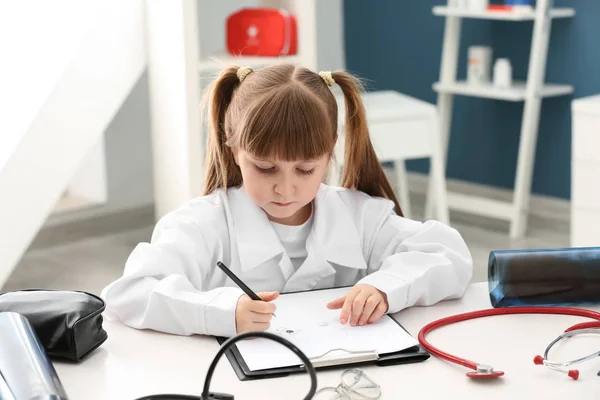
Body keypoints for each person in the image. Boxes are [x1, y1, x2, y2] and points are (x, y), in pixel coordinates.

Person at [100, 64, 473, 338]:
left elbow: (449, 256)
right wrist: (222, 312)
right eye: (265, 168)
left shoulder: (361, 215)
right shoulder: (202, 224)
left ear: (329, 155)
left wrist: (386, 287)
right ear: (235, 152)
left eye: (305, 170)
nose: (285, 189)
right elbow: (128, 293)